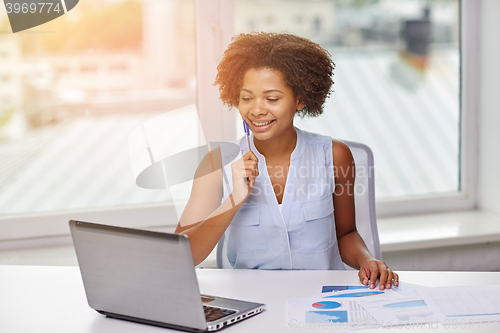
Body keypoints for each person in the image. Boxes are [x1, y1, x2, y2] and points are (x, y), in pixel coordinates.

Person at [175, 32, 398, 290]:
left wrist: (367, 259)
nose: (256, 109)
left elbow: (346, 234)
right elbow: (182, 256)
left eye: (272, 99)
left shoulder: (335, 156)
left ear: (300, 100)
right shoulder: (216, 164)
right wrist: (233, 201)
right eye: (247, 97)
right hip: (254, 303)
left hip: (322, 303)